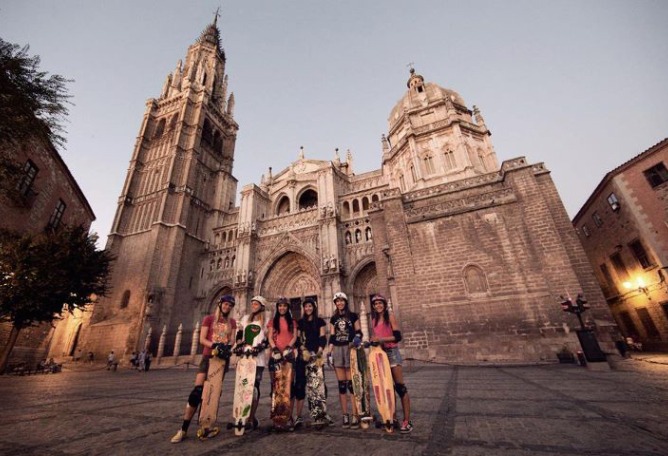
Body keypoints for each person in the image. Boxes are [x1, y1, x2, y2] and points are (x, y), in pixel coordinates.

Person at [170, 295, 237, 443]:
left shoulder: (232, 322)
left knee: (213, 393)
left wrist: (228, 346)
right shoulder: (209, 319)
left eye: (230, 305)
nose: (227, 307)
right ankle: (183, 429)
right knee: (197, 392)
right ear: (220, 304)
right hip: (208, 358)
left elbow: (232, 340)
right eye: (225, 304)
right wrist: (214, 345)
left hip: (221, 362)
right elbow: (202, 339)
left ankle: (206, 426)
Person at [370, 293, 413, 433]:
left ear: (384, 304)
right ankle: (392, 418)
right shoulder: (373, 320)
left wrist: (382, 340)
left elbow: (398, 336)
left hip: (392, 353)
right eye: (375, 304)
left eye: (380, 303)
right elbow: (376, 337)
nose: (378, 305)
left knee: (400, 387)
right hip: (380, 355)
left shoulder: (390, 316)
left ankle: (407, 421)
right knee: (387, 387)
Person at [327, 291, 362, 428]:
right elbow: (332, 336)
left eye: (341, 300)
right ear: (335, 303)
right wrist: (329, 353)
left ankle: (355, 414)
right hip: (337, 350)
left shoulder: (353, 316)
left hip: (350, 348)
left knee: (351, 384)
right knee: (341, 385)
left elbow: (358, 331)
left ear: (345, 302)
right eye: (337, 301)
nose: (339, 303)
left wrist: (357, 339)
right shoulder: (333, 318)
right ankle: (345, 415)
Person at [235, 295, 270, 431]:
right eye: (252, 303)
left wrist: (260, 347)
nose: (253, 306)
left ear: (261, 306)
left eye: (256, 304)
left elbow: (268, 337)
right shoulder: (245, 319)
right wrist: (239, 344)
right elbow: (239, 333)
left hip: (258, 359)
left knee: (254, 386)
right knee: (243, 386)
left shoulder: (266, 319)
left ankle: (251, 416)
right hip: (245, 358)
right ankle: (242, 414)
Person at [293, 298, 329, 428]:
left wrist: (319, 352)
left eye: (310, 306)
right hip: (303, 357)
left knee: (318, 386)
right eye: (306, 306)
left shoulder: (320, 321)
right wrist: (303, 350)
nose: (308, 308)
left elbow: (322, 338)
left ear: (314, 307)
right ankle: (298, 416)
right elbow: (297, 339)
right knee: (300, 385)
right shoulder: (300, 322)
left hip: (316, 357)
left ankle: (320, 414)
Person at [267, 297, 298, 429]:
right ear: (277, 307)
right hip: (275, 356)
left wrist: (288, 348)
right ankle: (276, 417)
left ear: (288, 307)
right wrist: (274, 348)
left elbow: (295, 336)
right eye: (280, 306)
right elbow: (269, 337)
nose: (282, 308)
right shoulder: (272, 321)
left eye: (284, 306)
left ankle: (288, 416)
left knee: (289, 386)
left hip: (288, 355)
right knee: (276, 386)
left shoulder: (293, 322)